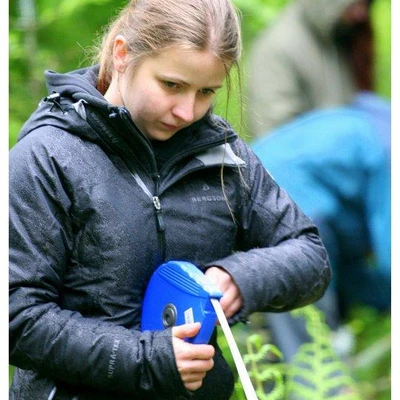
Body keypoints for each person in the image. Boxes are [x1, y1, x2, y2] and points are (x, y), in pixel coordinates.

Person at [8, 1, 332, 399]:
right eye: (172, 85)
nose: (187, 111)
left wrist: (239, 277)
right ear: (123, 54)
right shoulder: (48, 157)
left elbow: (310, 256)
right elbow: (18, 318)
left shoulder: (222, 156)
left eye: (206, 92)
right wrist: (147, 359)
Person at [251, 91, 391, 362]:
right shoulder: (388, 149)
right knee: (312, 351)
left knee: (286, 348)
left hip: (283, 199)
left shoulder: (375, 128)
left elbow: (359, 275)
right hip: (286, 207)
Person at [246, 0, 373, 137]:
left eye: (365, 4)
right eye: (355, 4)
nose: (362, 14)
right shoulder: (277, 48)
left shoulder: (338, 38)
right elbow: (275, 138)